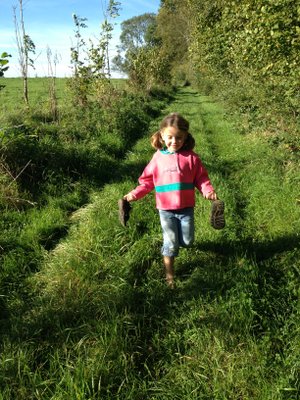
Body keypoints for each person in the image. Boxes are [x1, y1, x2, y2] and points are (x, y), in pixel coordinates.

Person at [123, 112, 218, 288]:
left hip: (186, 208)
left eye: (179, 138)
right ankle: (169, 277)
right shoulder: (157, 158)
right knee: (170, 242)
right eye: (170, 137)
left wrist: (208, 190)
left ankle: (178, 246)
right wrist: (134, 194)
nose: (174, 142)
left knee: (188, 241)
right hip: (165, 210)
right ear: (162, 136)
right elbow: (147, 181)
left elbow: (201, 178)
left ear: (186, 137)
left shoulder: (191, 158)